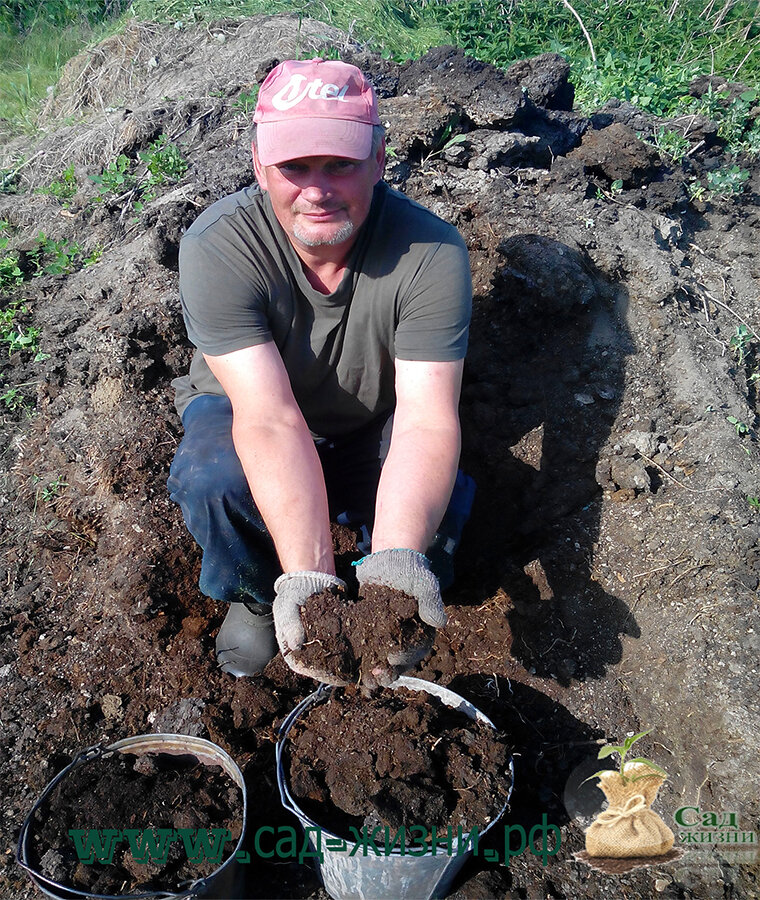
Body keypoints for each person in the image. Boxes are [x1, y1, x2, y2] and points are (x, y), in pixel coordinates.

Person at [167, 58, 475, 685]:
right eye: (295, 167)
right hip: (256, 412)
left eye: (340, 164)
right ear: (259, 165)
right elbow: (269, 418)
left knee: (445, 509)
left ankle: (383, 579)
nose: (317, 188)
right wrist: (308, 579)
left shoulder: (432, 252)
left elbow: (425, 419)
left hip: (374, 416)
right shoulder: (220, 247)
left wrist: (395, 564)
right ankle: (259, 596)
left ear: (380, 158)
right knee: (211, 479)